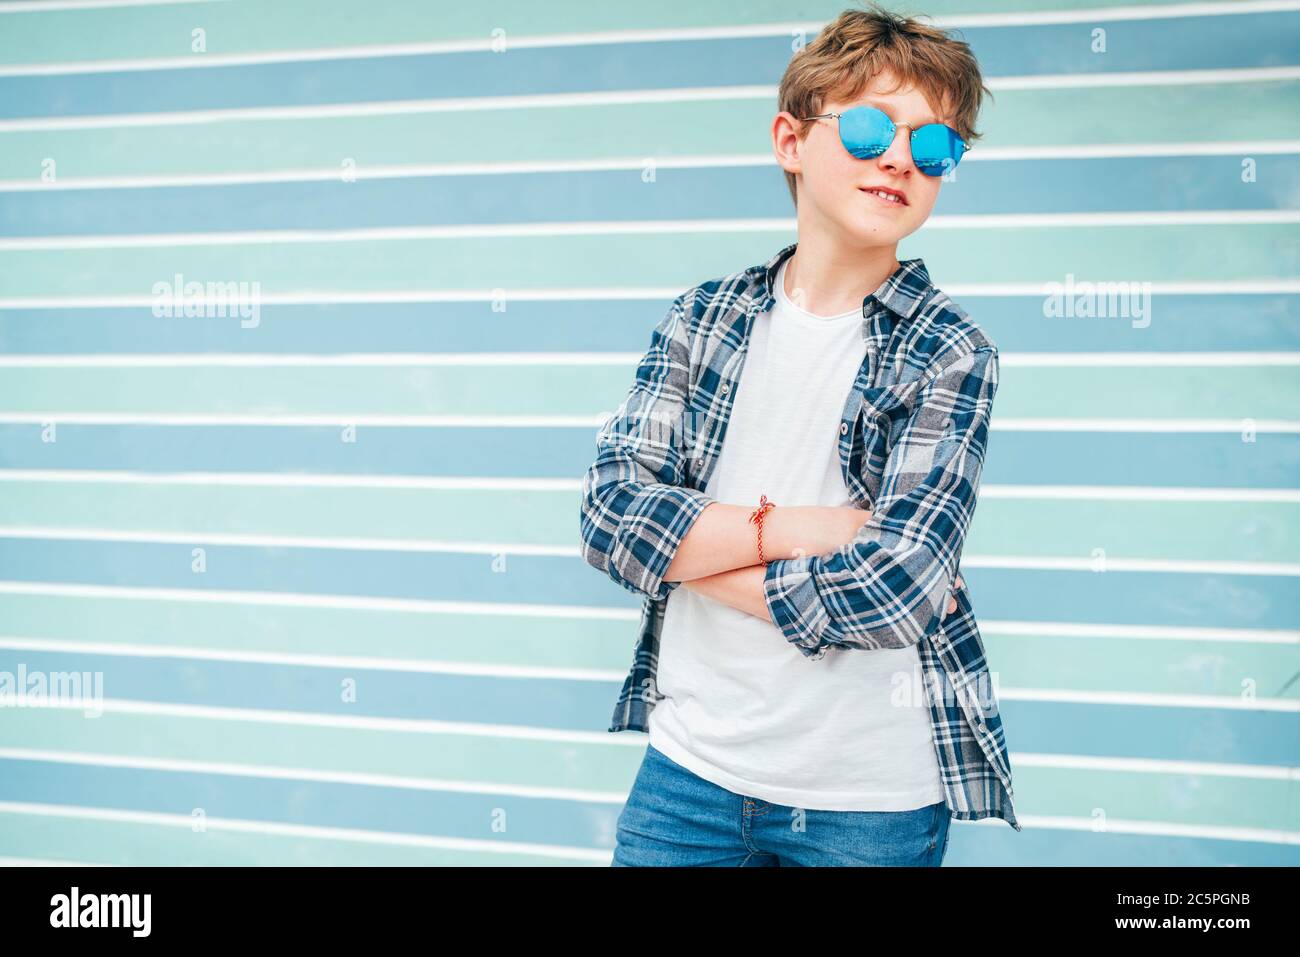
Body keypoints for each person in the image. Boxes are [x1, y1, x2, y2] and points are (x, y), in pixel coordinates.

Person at [579, 3, 1020, 867]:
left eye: (935, 147)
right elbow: (609, 517)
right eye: (869, 127)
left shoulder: (951, 352)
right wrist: (810, 529)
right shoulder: (701, 318)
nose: (901, 157)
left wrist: (695, 556)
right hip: (688, 772)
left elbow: (896, 588)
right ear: (790, 140)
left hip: (868, 802)